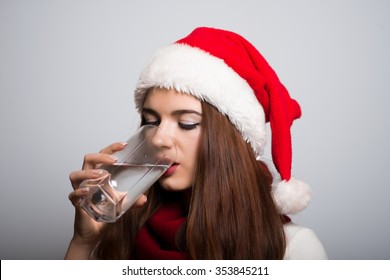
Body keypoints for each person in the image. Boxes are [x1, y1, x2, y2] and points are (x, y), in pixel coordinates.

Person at [65, 27, 327, 260]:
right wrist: (83, 242)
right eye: (150, 121)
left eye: (187, 123)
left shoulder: (293, 249)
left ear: (231, 140)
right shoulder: (120, 230)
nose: (158, 139)